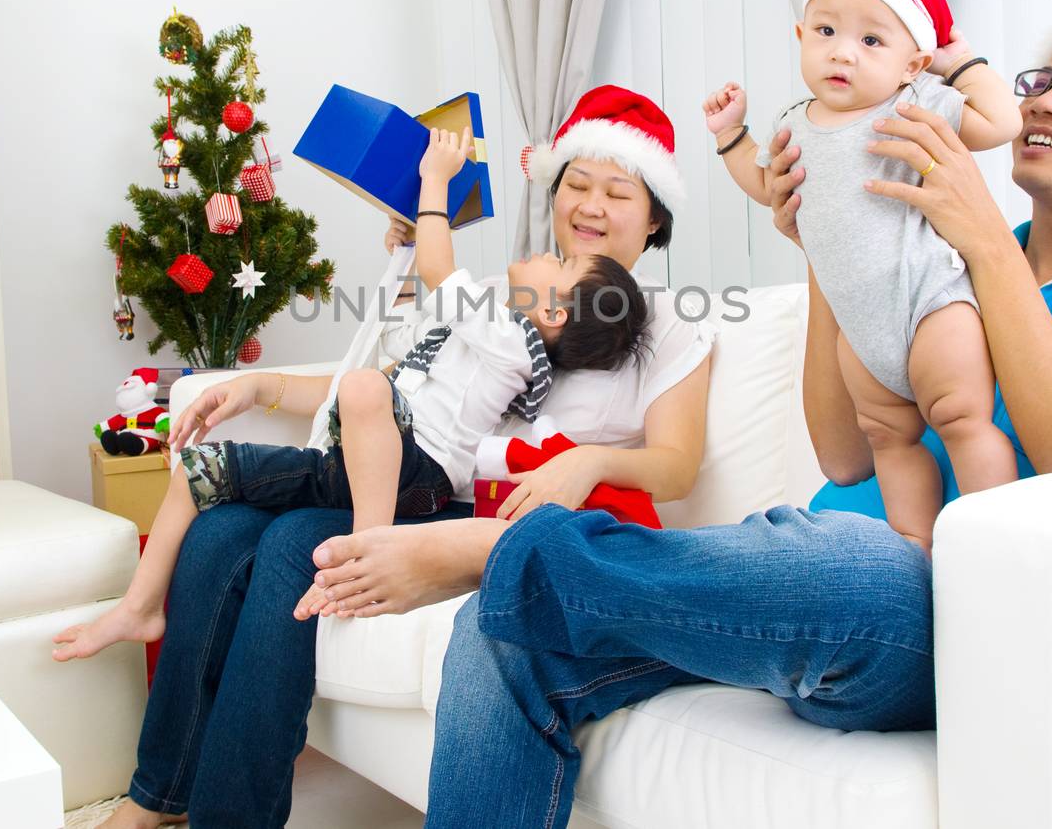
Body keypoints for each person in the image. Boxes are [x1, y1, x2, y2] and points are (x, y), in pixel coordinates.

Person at [300, 0, 1052, 827]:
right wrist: (828, 251)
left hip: (927, 605)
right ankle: (527, 564)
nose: (1044, 99)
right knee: (508, 630)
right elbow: (845, 457)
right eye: (1040, 79)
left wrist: (985, 243)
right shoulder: (930, 251)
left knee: (853, 561)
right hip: (800, 561)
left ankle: (495, 547)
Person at [91, 84, 714, 828]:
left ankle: (231, 815)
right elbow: (395, 385)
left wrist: (588, 463)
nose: (589, 204)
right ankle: (158, 796)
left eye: (618, 191)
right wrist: (260, 384)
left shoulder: (668, 323)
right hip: (412, 462)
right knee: (222, 528)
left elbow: (676, 466)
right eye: (575, 183)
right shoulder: (501, 292)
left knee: (293, 541)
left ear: (655, 219)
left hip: (469, 506)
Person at [52, 129, 650, 664]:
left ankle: (369, 548)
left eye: (563, 265)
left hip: (422, 475)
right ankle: (140, 605)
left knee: (367, 389)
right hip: (362, 459)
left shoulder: (511, 340)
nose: (549, 252)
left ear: (548, 310)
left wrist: (435, 185)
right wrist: (411, 236)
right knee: (199, 470)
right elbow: (419, 307)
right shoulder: (487, 319)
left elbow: (442, 277)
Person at [704, 0, 1023, 549]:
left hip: (928, 299)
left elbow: (1002, 122)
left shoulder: (916, 102)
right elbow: (766, 186)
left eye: (872, 41)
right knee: (887, 438)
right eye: (825, 31)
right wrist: (731, 137)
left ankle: (994, 545)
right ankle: (915, 552)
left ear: (911, 64)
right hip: (857, 323)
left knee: (963, 419)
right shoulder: (794, 123)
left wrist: (959, 63)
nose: (842, 51)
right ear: (801, 36)